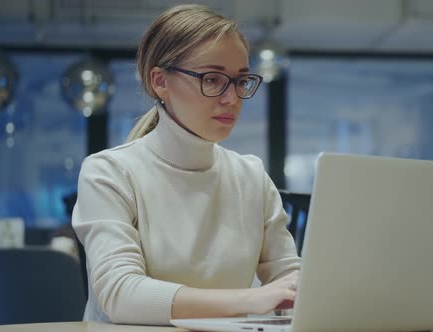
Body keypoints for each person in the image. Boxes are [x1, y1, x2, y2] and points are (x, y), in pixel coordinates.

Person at [72, 4, 300, 326]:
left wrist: (308, 294)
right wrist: (254, 298)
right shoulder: (109, 172)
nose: (231, 98)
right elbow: (119, 295)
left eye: (240, 81)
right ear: (160, 81)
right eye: (212, 78)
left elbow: (290, 280)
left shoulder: (250, 176)